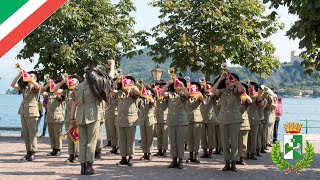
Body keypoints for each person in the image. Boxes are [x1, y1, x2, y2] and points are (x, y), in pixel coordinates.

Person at [71, 60, 114, 175]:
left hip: (80, 116)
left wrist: (72, 118)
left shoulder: (77, 87)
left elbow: (74, 103)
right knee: (91, 142)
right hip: (93, 115)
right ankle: (89, 166)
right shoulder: (96, 85)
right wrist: (112, 66)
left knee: (82, 142)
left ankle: (82, 167)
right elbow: (110, 79)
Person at [211, 72, 244, 172]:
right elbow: (212, 90)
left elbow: (241, 89)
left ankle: (233, 163)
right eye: (226, 81)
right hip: (223, 118)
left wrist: (235, 80)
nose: (227, 82)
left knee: (234, 142)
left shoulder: (236, 90)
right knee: (224, 142)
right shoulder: (222, 91)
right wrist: (220, 78)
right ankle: (226, 163)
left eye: (229, 80)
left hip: (234, 119)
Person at [11, 70, 41, 161]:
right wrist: (19, 75)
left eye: (32, 76)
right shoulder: (24, 87)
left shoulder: (36, 86)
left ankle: (33, 152)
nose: (30, 77)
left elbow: (37, 86)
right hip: (23, 111)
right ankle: (28, 152)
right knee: (26, 134)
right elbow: (13, 85)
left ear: (35, 78)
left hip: (32, 112)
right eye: (29, 75)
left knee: (32, 134)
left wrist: (31, 79)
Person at [53, 74, 82, 162]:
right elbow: (54, 90)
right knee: (69, 136)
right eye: (70, 79)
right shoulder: (66, 92)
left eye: (73, 80)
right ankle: (71, 155)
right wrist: (62, 81)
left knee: (76, 136)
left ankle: (77, 155)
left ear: (78, 82)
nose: (71, 80)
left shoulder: (80, 90)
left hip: (78, 116)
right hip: (68, 117)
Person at [161, 77, 189, 169]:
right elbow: (161, 93)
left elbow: (187, 95)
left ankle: (180, 160)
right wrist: (169, 83)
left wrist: (183, 86)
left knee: (180, 141)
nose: (176, 86)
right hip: (171, 120)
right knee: (172, 141)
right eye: (175, 84)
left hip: (180, 121)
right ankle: (174, 159)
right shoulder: (170, 94)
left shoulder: (182, 95)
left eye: (177, 84)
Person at [114, 75, 140, 166]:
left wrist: (131, 85)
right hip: (121, 120)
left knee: (130, 140)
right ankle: (123, 158)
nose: (125, 82)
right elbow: (110, 90)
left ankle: (131, 157)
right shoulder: (120, 93)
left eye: (128, 81)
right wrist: (117, 81)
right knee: (122, 140)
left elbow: (138, 92)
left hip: (130, 120)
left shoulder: (133, 93)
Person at [41, 80, 65, 157]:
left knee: (58, 134)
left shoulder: (61, 94)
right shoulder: (48, 94)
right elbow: (41, 92)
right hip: (50, 117)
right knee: (51, 134)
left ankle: (58, 149)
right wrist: (47, 85)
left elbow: (61, 98)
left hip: (58, 117)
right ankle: (53, 149)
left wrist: (57, 94)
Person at [186, 82, 204, 163]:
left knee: (197, 138)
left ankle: (195, 155)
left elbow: (202, 99)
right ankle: (190, 155)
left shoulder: (199, 95)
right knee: (189, 138)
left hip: (197, 119)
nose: (192, 88)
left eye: (194, 87)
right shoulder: (187, 96)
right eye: (191, 87)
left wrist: (197, 94)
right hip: (188, 119)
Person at [138, 85, 156, 160]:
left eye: (148, 91)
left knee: (150, 137)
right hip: (142, 120)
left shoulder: (153, 99)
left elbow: (153, 104)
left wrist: (148, 97)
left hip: (150, 120)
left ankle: (150, 153)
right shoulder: (141, 100)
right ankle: (145, 153)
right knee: (144, 137)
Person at [237, 83, 252, 165]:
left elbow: (250, 101)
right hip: (234, 122)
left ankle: (242, 158)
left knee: (243, 143)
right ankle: (235, 158)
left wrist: (245, 94)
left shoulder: (246, 100)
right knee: (235, 143)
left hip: (244, 123)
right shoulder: (234, 99)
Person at [153, 81, 169, 157]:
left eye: (163, 86)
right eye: (161, 86)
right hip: (158, 118)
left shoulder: (167, 94)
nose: (161, 88)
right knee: (159, 135)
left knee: (165, 135)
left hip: (165, 118)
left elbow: (165, 96)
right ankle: (159, 150)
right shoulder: (157, 94)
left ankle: (165, 150)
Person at [106, 79, 120, 154]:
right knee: (112, 132)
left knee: (118, 132)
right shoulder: (108, 94)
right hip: (109, 114)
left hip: (117, 114)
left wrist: (116, 82)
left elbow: (115, 93)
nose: (112, 88)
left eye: (113, 87)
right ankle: (114, 146)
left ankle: (118, 146)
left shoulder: (118, 93)